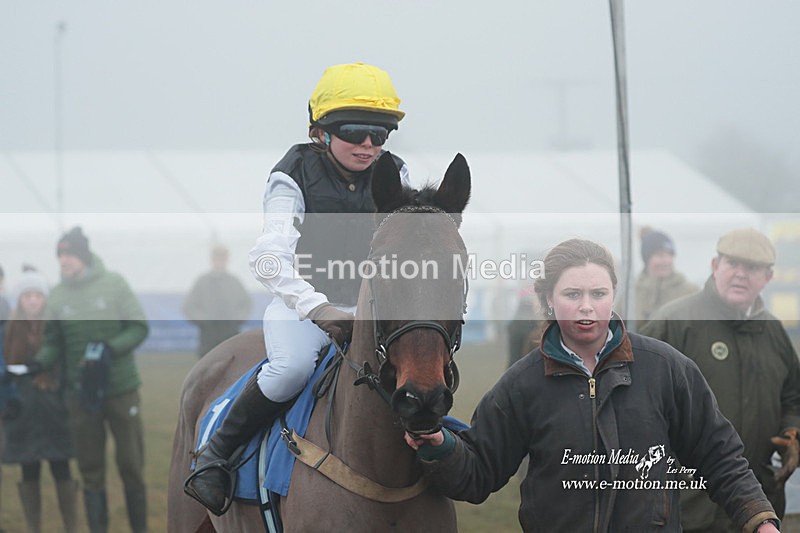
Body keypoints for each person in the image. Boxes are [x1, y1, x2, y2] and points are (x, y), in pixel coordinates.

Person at [404, 238, 780, 533]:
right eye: (573, 294)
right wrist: (442, 447)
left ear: (613, 294)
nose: (587, 306)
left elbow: (719, 455)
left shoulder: (666, 368)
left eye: (598, 294)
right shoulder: (522, 384)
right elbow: (479, 471)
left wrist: (758, 517)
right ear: (548, 298)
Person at [185, 62, 410, 514]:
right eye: (355, 132)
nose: (369, 145)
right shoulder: (292, 175)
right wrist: (318, 308)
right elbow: (268, 259)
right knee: (290, 370)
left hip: (370, 311)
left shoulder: (395, 173)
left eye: (380, 134)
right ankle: (215, 456)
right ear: (320, 131)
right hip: (302, 308)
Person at [640, 227, 800, 532]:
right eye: (732, 263)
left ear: (768, 277)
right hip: (687, 510)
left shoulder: (774, 332)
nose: (740, 274)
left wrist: (793, 433)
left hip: (758, 511)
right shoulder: (675, 322)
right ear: (715, 266)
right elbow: (633, 398)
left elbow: (793, 396)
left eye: (752, 267)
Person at [31, 227, 149, 533]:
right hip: (80, 395)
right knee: (90, 470)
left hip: (121, 389)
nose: (63, 260)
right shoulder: (57, 295)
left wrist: (111, 348)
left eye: (69, 254)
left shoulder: (114, 284)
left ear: (83, 255)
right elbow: (53, 342)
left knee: (131, 466)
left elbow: (139, 327)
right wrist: (39, 362)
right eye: (60, 255)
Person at [3, 267, 78, 532]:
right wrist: (8, 404)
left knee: (61, 467)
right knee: (29, 470)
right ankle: (32, 527)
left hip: (54, 411)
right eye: (27, 296)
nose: (33, 300)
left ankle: (72, 526)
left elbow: (68, 368)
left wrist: (62, 399)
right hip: (22, 412)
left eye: (38, 295)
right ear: (20, 300)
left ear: (45, 299)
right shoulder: (8, 330)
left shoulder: (56, 328)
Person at [182, 244, 251, 357]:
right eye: (218, 258)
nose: (220, 262)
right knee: (208, 365)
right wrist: (204, 321)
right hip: (208, 337)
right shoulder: (202, 282)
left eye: (223, 258)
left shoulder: (234, 282)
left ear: (227, 259)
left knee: (232, 364)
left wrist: (237, 319)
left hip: (231, 335)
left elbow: (246, 304)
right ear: (212, 260)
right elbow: (189, 307)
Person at [633, 227, 697, 324]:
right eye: (660, 255)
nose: (666, 261)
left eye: (670, 255)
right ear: (646, 258)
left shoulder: (690, 292)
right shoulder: (631, 293)